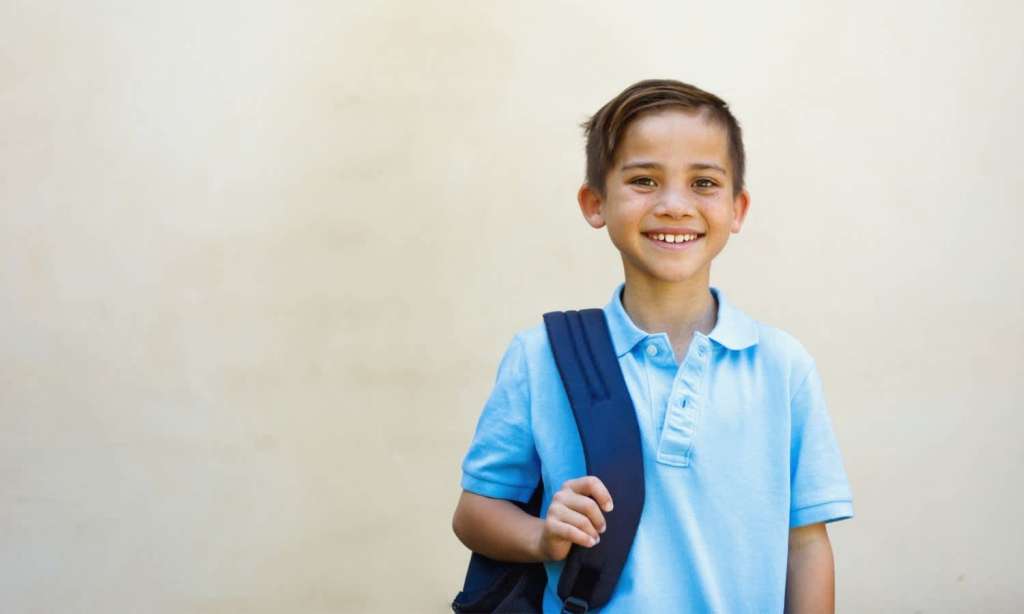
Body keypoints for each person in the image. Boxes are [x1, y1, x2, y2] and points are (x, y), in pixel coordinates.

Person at [451, 79, 854, 613]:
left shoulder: (783, 368)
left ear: (738, 208)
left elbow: (805, 547)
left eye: (704, 183)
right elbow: (475, 512)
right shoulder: (541, 357)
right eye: (643, 180)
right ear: (595, 203)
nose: (673, 205)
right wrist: (541, 537)